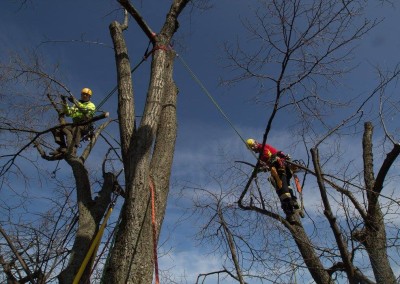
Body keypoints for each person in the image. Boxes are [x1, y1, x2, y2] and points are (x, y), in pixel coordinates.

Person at [246, 138, 300, 215]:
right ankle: (294, 201)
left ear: (255, 143)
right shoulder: (264, 149)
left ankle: (289, 211)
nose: (253, 149)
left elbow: (266, 155)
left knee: (282, 188)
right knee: (287, 185)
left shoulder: (262, 147)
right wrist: (260, 168)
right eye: (251, 148)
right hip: (284, 166)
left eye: (252, 146)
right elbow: (268, 159)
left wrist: (259, 166)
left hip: (279, 167)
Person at [51, 88, 96, 155]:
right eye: (83, 94)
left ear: (89, 96)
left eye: (86, 95)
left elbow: (85, 110)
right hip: (75, 124)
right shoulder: (75, 105)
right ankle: (62, 146)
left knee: (76, 129)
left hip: (85, 125)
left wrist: (75, 101)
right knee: (58, 127)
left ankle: (73, 148)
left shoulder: (91, 105)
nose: (84, 96)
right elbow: (68, 113)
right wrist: (64, 102)